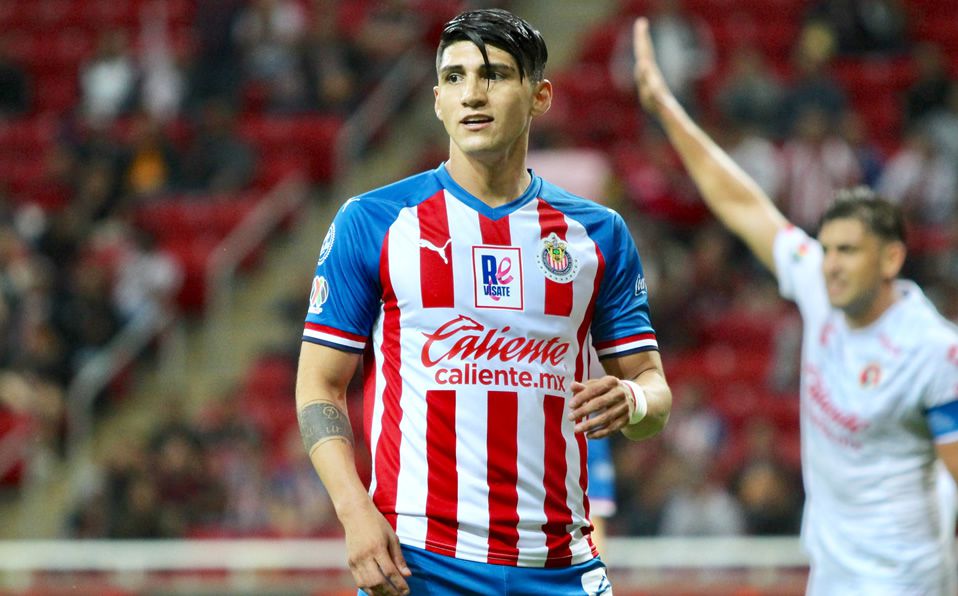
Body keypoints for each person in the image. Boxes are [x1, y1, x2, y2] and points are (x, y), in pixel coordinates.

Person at [296, 9, 672, 596]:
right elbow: (318, 385)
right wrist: (353, 512)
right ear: (437, 100)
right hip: (421, 562)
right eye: (454, 77)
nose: (472, 93)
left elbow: (654, 390)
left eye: (494, 75)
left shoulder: (597, 234)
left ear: (540, 95)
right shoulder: (373, 222)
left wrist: (633, 399)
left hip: (562, 563)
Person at [633, 17, 958, 595]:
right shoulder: (818, 285)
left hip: (905, 584)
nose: (830, 264)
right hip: (829, 579)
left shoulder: (933, 351)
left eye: (849, 251)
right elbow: (742, 203)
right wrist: (668, 109)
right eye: (827, 249)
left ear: (891, 259)